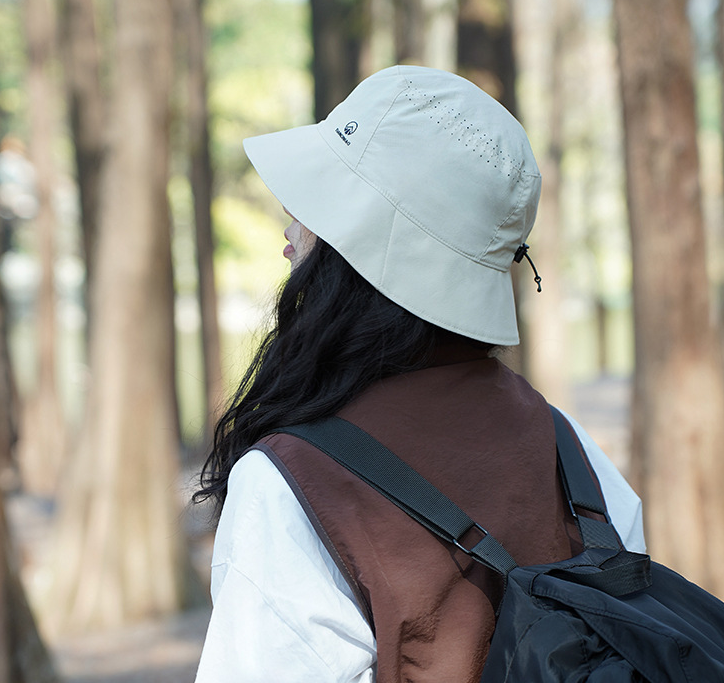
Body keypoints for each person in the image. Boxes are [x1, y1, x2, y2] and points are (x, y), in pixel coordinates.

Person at [193, 65, 645, 682]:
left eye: (312, 209)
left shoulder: (290, 484)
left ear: (359, 246)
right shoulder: (571, 453)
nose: (287, 237)